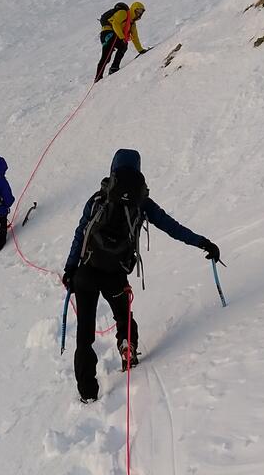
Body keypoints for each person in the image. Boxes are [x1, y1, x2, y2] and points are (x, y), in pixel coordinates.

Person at [62, 147, 219, 401]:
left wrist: (70, 269)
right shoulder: (142, 202)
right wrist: (203, 242)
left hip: (86, 274)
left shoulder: (98, 198)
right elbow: (173, 228)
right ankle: (128, 347)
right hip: (116, 274)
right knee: (123, 315)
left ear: (112, 169)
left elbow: (81, 233)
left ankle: (88, 393)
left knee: (84, 335)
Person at [94, 1, 146, 81]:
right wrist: (122, 38)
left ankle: (114, 67)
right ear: (133, 9)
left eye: (141, 12)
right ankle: (98, 77)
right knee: (107, 56)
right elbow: (115, 23)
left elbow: (135, 37)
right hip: (108, 33)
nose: (139, 13)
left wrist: (140, 50)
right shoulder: (123, 13)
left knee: (123, 46)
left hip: (115, 35)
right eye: (138, 10)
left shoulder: (132, 24)